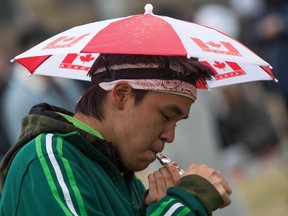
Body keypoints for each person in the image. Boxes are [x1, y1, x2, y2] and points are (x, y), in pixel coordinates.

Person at [0, 54, 232, 215]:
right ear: (121, 95)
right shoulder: (50, 159)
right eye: (165, 116)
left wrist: (153, 208)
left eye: (177, 123)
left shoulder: (121, 173)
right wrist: (187, 202)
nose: (170, 136)